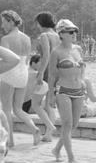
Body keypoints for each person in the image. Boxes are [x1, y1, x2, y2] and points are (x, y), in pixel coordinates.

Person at [48, 19, 86, 163]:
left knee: (74, 124)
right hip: (63, 89)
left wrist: (82, 80)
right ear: (61, 34)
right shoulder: (56, 52)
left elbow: (83, 67)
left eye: (75, 31)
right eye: (70, 32)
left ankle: (57, 149)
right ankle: (71, 158)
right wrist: (50, 95)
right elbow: (51, 75)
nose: (74, 34)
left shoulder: (78, 49)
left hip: (78, 90)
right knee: (67, 123)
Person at [0, 10, 41, 146]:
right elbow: (27, 58)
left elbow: (5, 59)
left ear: (11, 22)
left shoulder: (5, 39)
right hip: (23, 73)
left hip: (9, 73)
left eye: (4, 22)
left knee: (6, 109)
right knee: (18, 109)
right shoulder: (27, 38)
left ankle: (9, 141)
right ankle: (34, 129)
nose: (2, 26)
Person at [34, 12, 60, 142]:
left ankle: (50, 129)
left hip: (47, 71)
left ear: (41, 22)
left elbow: (46, 56)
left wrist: (40, 73)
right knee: (49, 102)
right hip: (57, 71)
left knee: (37, 103)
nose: (37, 26)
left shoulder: (44, 35)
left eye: (37, 23)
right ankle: (49, 133)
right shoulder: (57, 35)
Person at [22, 56, 55, 141]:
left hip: (27, 102)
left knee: (41, 106)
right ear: (33, 63)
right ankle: (50, 127)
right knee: (43, 107)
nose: (42, 66)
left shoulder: (31, 73)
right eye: (40, 63)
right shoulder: (33, 74)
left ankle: (49, 128)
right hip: (27, 102)